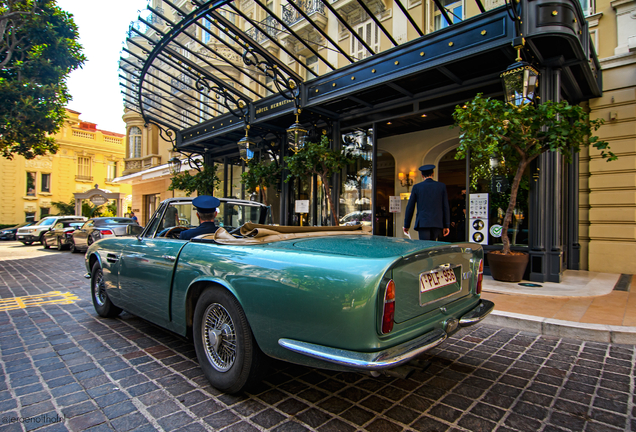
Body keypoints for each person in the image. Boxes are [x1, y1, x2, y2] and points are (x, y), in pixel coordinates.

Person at [403, 164, 450, 241]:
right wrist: (446, 225)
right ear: (433, 173)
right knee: (433, 245)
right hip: (437, 222)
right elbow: (445, 206)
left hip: (423, 222)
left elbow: (410, 207)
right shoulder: (441, 186)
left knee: (424, 245)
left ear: (422, 175)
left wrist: (407, 225)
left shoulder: (417, 187)